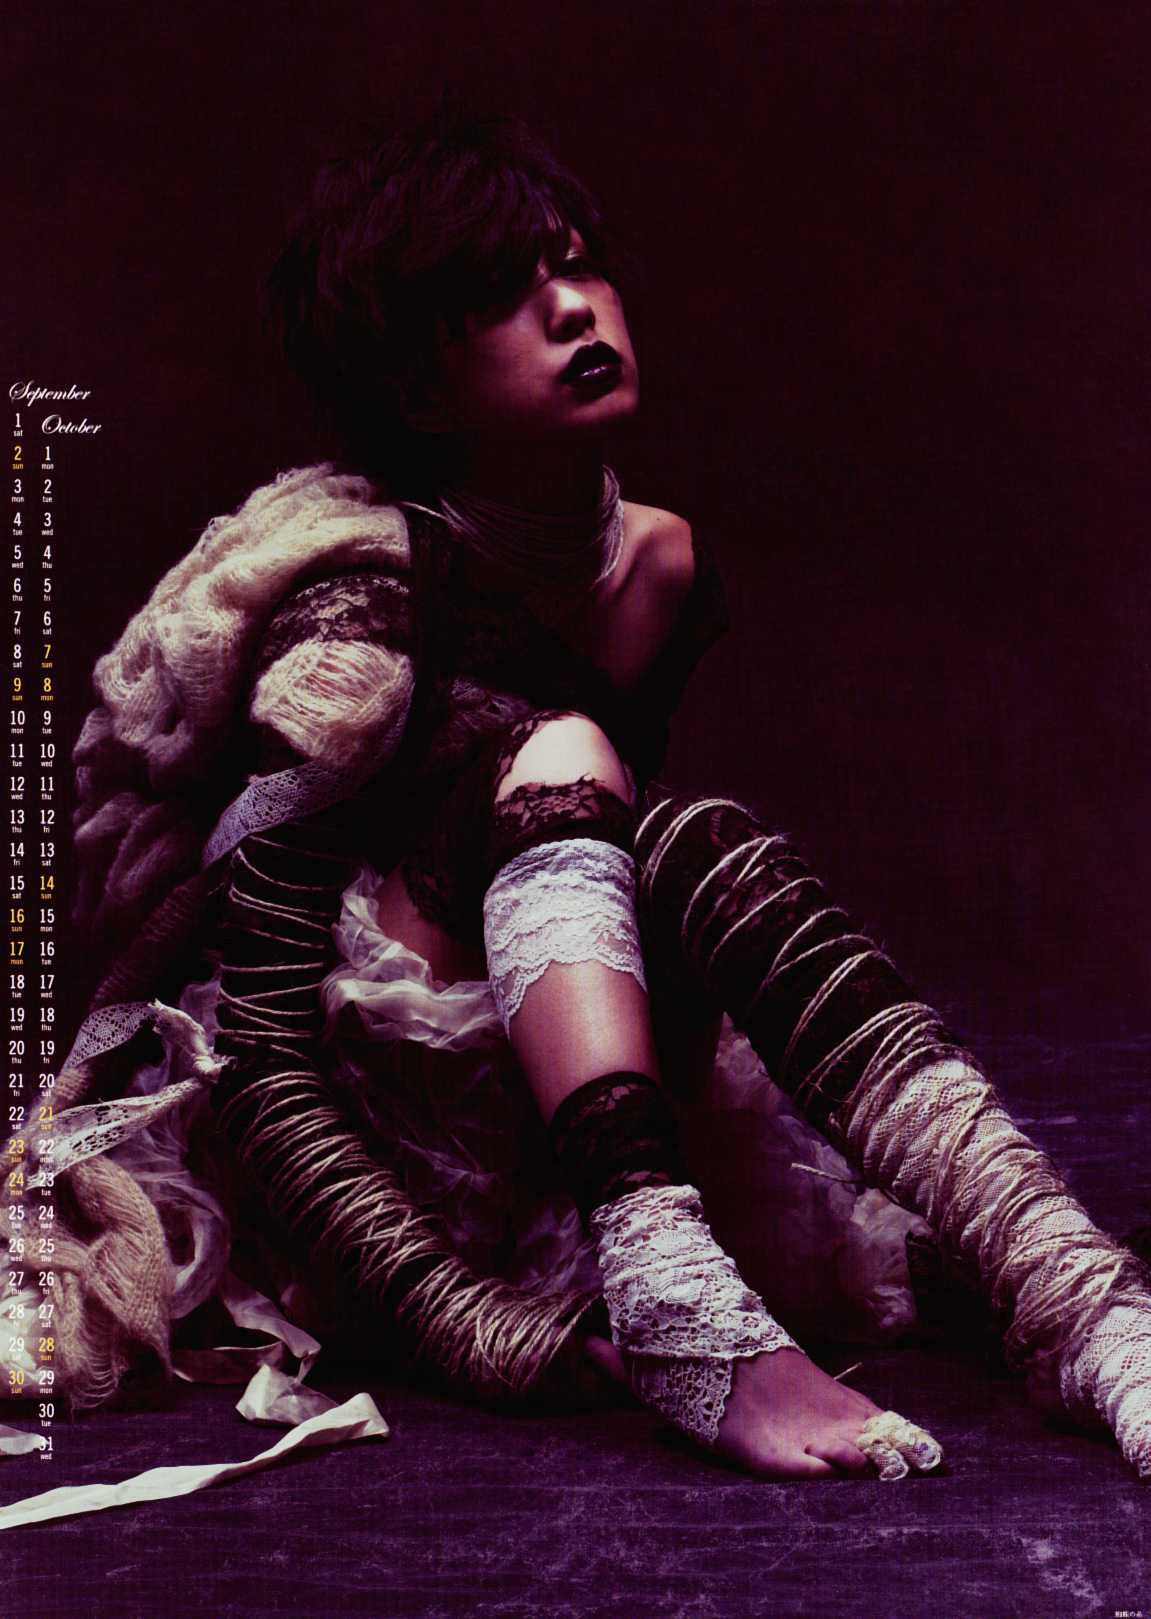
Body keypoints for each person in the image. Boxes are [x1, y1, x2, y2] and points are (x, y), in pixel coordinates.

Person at [48, 105, 1150, 1481]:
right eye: (504, 298)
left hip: (565, 1076)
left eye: (576, 265)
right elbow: (261, 1048)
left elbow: (626, 885)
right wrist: (487, 1335)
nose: (573, 306)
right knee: (571, 752)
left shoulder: (664, 570)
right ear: (421, 392)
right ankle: (685, 1299)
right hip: (368, 1137)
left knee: (687, 840)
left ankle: (1090, 1311)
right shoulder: (359, 611)